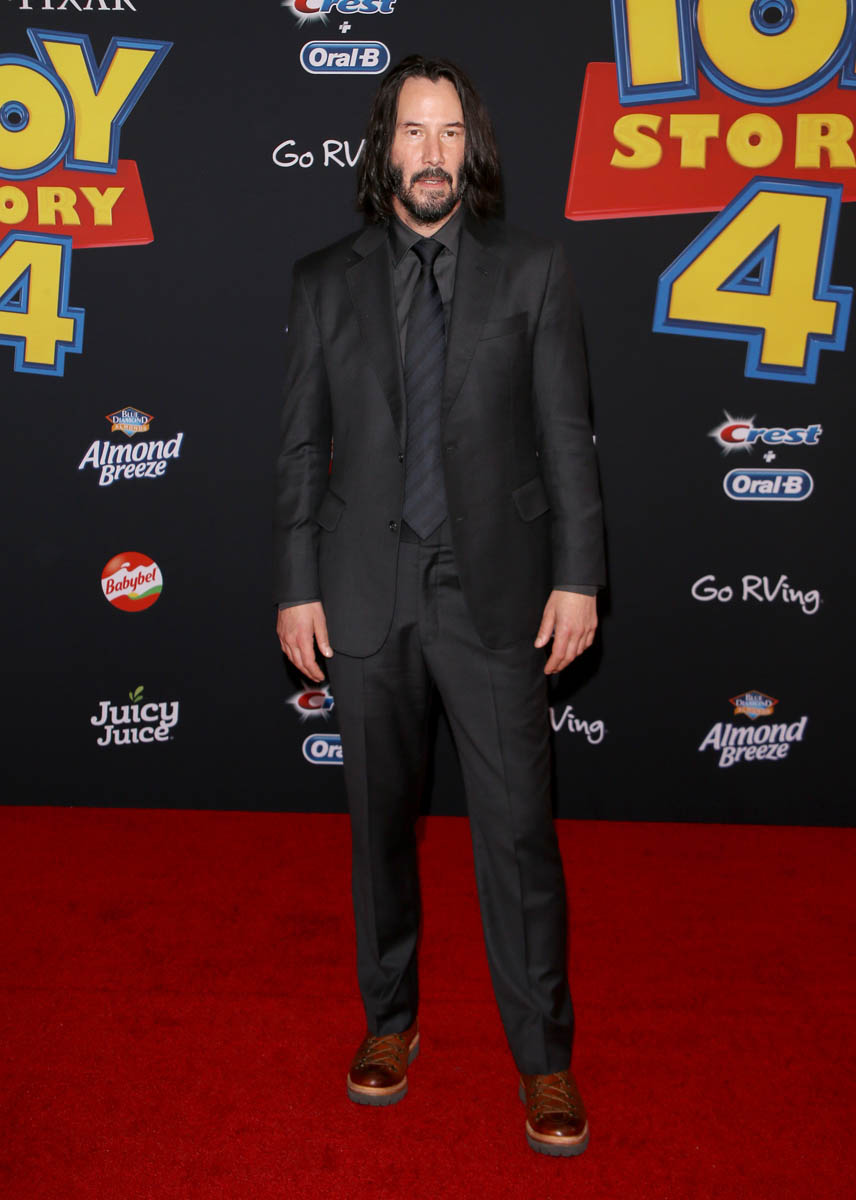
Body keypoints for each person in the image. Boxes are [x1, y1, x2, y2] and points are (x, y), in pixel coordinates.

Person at [274, 55, 605, 1158]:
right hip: (363, 589)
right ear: (384, 148)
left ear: (474, 149)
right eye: (412, 132)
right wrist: (295, 585)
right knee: (379, 828)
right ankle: (390, 1021)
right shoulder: (323, 280)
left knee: (516, 833)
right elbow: (299, 450)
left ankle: (544, 1058)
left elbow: (566, 436)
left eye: (449, 133)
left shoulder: (532, 271)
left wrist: (578, 575)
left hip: (494, 588)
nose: (431, 154)